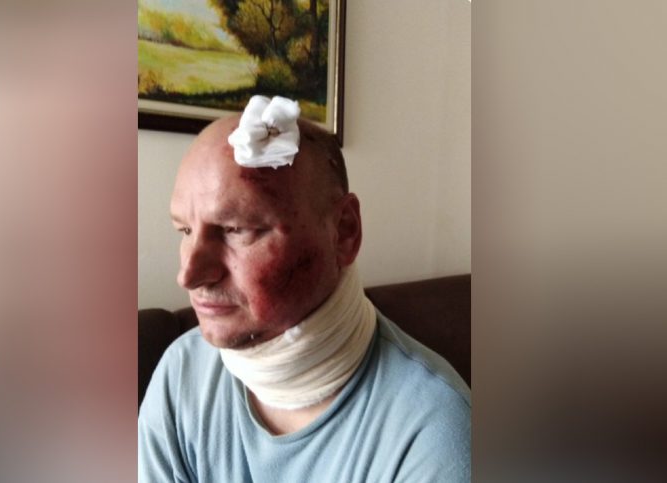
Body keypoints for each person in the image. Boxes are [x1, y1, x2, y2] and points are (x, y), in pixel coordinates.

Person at [138, 96, 470, 482]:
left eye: (235, 229)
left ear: (344, 231)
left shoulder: (438, 435)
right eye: (185, 230)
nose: (189, 275)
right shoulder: (181, 374)